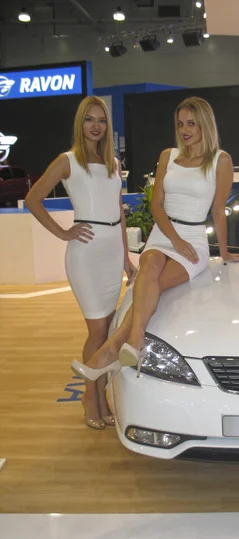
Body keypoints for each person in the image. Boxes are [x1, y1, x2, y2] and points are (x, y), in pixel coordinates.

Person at [71, 96, 239, 383]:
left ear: (205, 124)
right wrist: (173, 239)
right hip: (163, 234)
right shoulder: (168, 156)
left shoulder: (221, 160)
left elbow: (219, 211)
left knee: (150, 285)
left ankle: (114, 349)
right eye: (180, 123)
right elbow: (156, 204)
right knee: (151, 263)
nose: (184, 130)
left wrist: (225, 252)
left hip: (193, 240)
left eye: (191, 124)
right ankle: (133, 342)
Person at [24, 96, 137, 429]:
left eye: (101, 120)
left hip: (112, 251)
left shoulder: (113, 163)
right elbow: (33, 199)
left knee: (107, 328)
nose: (96, 126)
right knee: (98, 329)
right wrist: (62, 233)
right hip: (85, 254)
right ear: (80, 123)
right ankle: (93, 395)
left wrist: (126, 256)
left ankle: (98, 393)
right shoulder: (67, 160)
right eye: (89, 119)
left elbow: (117, 210)